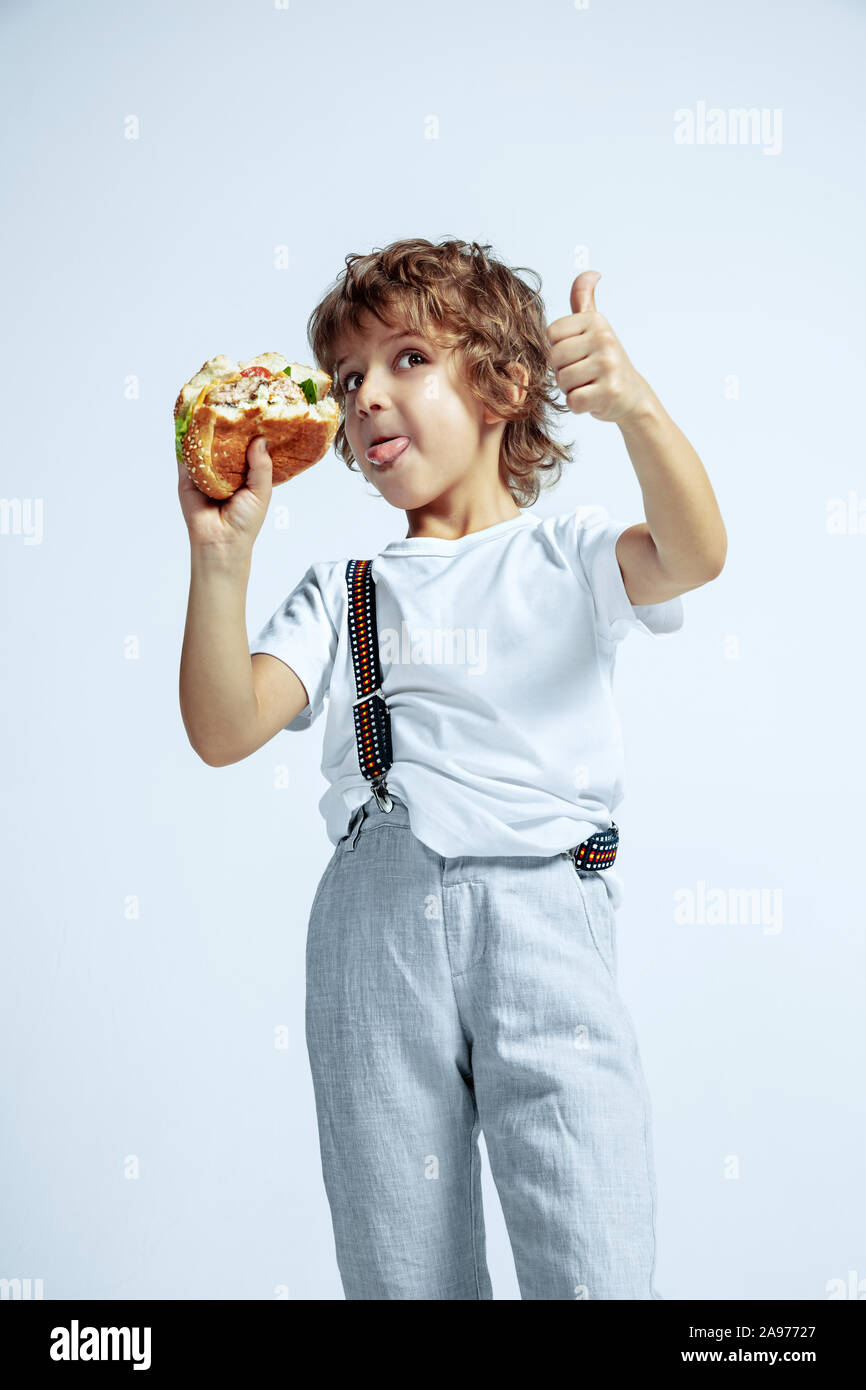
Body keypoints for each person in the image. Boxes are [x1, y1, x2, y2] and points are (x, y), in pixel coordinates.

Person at [178, 237, 727, 1300]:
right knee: (402, 1267)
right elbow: (223, 727)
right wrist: (220, 559)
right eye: (347, 378)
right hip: (374, 927)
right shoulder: (342, 588)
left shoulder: (569, 552)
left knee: (594, 1255)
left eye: (407, 359)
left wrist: (635, 410)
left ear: (503, 387)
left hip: (545, 915)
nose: (365, 397)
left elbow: (694, 554)